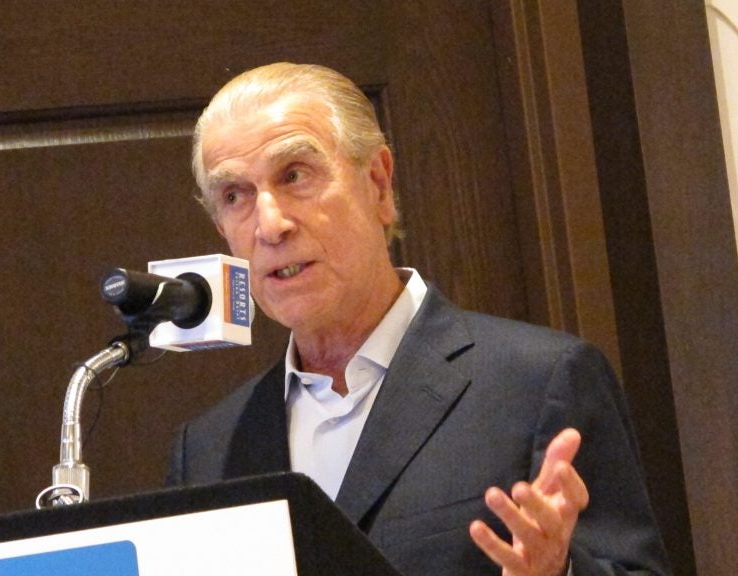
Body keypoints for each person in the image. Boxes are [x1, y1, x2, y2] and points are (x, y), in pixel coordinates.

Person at [167, 62, 671, 576]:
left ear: (379, 184)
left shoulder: (539, 382)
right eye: (236, 196)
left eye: (295, 175)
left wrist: (558, 572)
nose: (270, 225)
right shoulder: (208, 451)